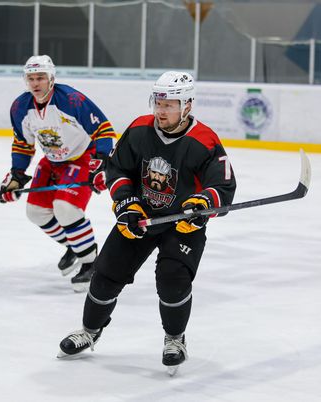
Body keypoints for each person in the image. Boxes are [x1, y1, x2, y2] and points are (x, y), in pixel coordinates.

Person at [57, 71, 236, 374]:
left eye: (169, 105)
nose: (161, 111)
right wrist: (127, 203)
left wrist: (203, 204)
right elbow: (117, 170)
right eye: (158, 103)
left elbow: (222, 185)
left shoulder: (204, 140)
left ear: (187, 105)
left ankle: (175, 339)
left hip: (182, 223)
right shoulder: (140, 129)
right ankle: (90, 331)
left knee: (172, 280)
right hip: (140, 218)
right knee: (106, 273)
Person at [0, 55, 117, 292]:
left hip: (82, 156)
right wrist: (16, 175)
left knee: (65, 208)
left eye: (40, 77)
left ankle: (91, 263)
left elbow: (104, 129)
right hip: (52, 161)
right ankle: (76, 245)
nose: (35, 83)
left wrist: (101, 163)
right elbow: (23, 143)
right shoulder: (20, 107)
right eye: (31, 78)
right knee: (36, 212)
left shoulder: (71, 99)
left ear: (51, 78)